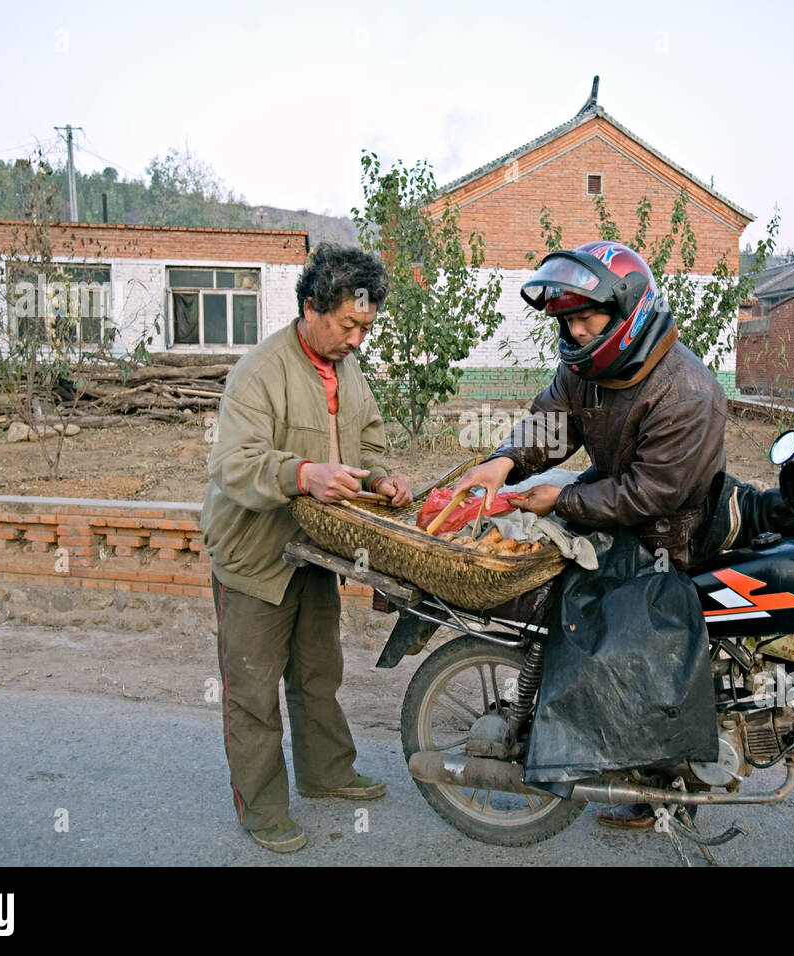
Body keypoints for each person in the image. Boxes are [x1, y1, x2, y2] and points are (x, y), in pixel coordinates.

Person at [453, 239, 728, 829]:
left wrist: (566, 499)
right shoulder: (585, 372)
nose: (576, 332)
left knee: (610, 637)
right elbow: (550, 424)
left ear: (629, 312)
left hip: (669, 534)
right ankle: (633, 771)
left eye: (586, 318)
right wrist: (505, 461)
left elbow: (653, 493)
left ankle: (656, 776)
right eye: (568, 320)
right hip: (613, 509)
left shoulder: (687, 391)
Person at [201, 243, 413, 853]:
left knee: (319, 674)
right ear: (310, 308)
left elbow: (368, 442)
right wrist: (303, 475)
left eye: (366, 328)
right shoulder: (260, 371)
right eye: (349, 325)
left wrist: (379, 478)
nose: (357, 339)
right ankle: (262, 808)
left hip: (316, 552)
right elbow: (232, 465)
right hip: (255, 555)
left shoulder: (348, 371)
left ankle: (327, 774)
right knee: (252, 690)